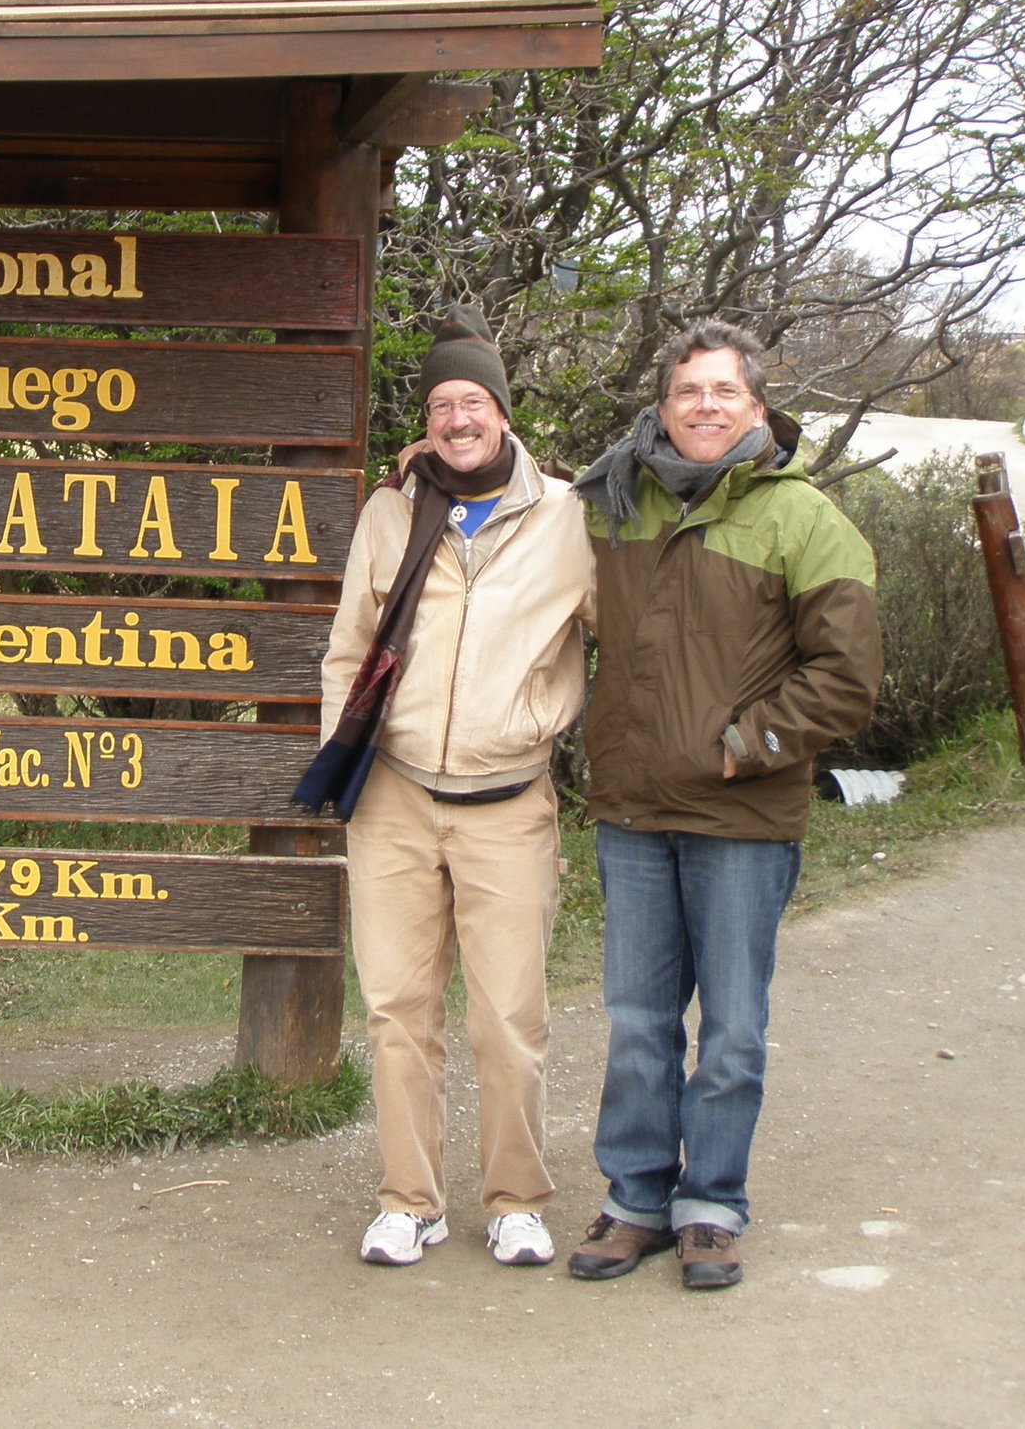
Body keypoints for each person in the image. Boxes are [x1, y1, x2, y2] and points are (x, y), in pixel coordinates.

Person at [567, 321, 881, 1289]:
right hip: (631, 810)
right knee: (637, 1021)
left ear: (756, 406)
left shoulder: (802, 519)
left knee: (733, 1027)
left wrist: (748, 747)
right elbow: (504, 511)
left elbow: (848, 675)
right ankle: (634, 1202)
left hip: (742, 818)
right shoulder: (616, 501)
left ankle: (710, 1206)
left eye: (722, 393)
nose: (703, 407)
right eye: (685, 393)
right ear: (660, 407)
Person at [317, 306, 594, 1269]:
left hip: (509, 802)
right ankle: (411, 1198)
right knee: (398, 1009)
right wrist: (341, 755)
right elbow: (349, 647)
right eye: (441, 402)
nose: (456, 417)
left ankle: (516, 1198)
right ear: (426, 418)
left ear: (503, 413)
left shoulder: (565, 516)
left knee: (508, 1015)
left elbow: (626, 630)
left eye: (472, 399)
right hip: (395, 798)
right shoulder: (390, 511)